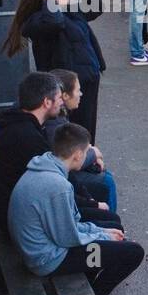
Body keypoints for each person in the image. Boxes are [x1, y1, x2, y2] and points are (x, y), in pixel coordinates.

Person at [8, 122, 144, 295]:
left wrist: (101, 231)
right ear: (78, 154)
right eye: (88, 150)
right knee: (132, 253)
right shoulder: (56, 186)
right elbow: (68, 238)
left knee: (115, 242)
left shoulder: (45, 167)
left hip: (44, 249)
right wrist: (103, 236)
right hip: (50, 260)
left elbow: (71, 223)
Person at [3, 0, 107, 139]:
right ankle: (77, 161)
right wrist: (51, 1)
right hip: (64, 86)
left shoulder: (68, 11)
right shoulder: (38, 20)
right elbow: (54, 23)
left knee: (87, 128)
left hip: (88, 79)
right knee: (71, 131)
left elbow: (95, 10)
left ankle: (87, 158)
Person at [0, 71, 68, 237]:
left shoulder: (18, 124)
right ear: (46, 102)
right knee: (102, 192)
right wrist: (92, 204)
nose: (62, 101)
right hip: (20, 223)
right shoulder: (27, 137)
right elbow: (53, 181)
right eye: (59, 97)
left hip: (13, 211)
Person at [44, 69, 117, 213]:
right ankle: (108, 218)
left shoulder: (58, 117)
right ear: (64, 95)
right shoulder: (55, 122)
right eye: (78, 90)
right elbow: (66, 156)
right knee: (107, 181)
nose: (80, 94)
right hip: (60, 175)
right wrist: (93, 154)